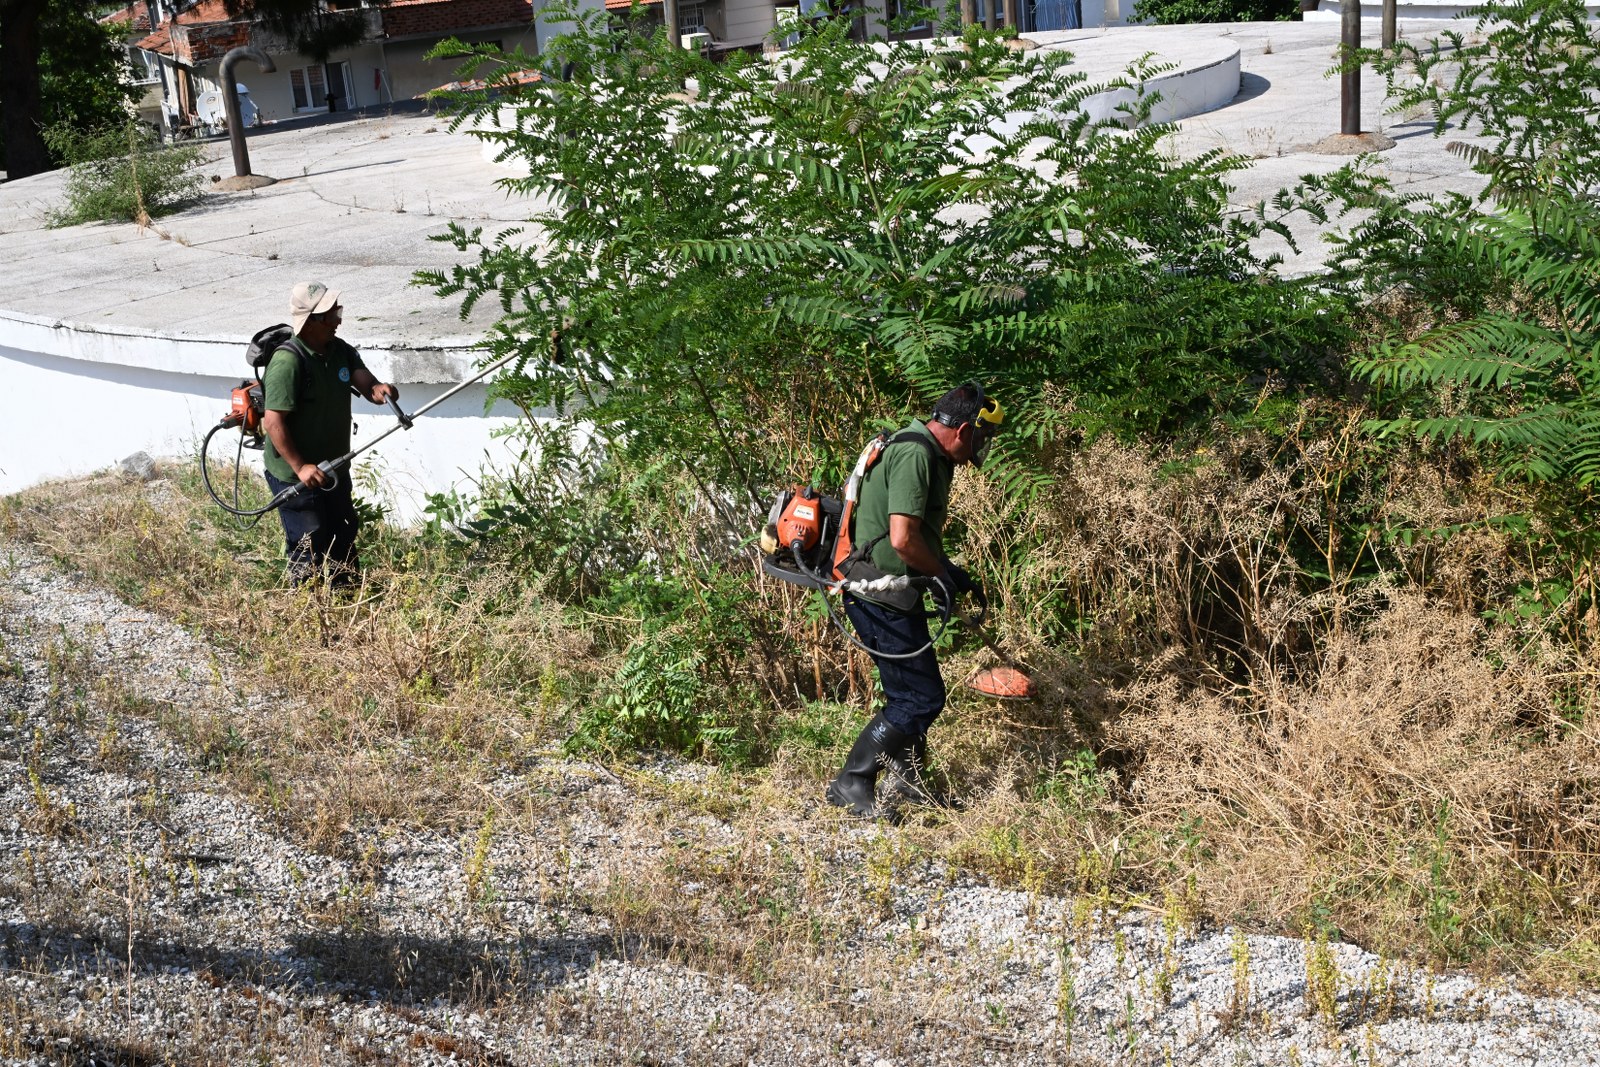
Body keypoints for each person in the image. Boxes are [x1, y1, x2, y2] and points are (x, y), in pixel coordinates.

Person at [826, 382, 1004, 817]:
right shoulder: (916, 455)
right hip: (877, 593)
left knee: (909, 692)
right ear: (963, 430)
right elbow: (904, 541)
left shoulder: (934, 455)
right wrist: (940, 575)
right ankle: (852, 781)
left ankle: (907, 783)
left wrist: (952, 573)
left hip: (897, 591)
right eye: (981, 438)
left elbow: (917, 535)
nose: (981, 447)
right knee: (919, 698)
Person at [261, 282, 398, 585]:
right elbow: (273, 423)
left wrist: (380, 391)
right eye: (331, 315)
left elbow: (366, 382)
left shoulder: (339, 350)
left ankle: (346, 599)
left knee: (343, 535)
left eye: (337, 311)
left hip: (333, 467)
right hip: (296, 474)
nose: (339, 320)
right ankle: (310, 615)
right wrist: (300, 467)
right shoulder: (288, 363)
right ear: (310, 322)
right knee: (309, 543)